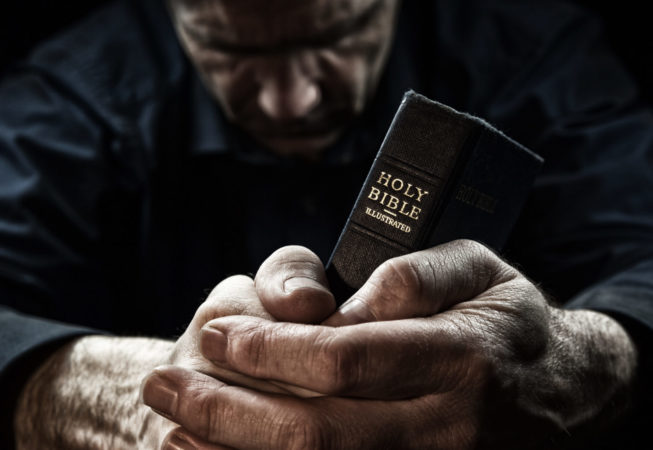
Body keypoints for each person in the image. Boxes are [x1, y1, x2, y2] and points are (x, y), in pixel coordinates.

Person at [1, 0, 651, 448]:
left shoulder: (535, 54)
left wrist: (574, 363)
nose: (292, 100)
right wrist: (146, 398)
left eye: (334, 35)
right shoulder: (71, 94)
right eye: (227, 47)